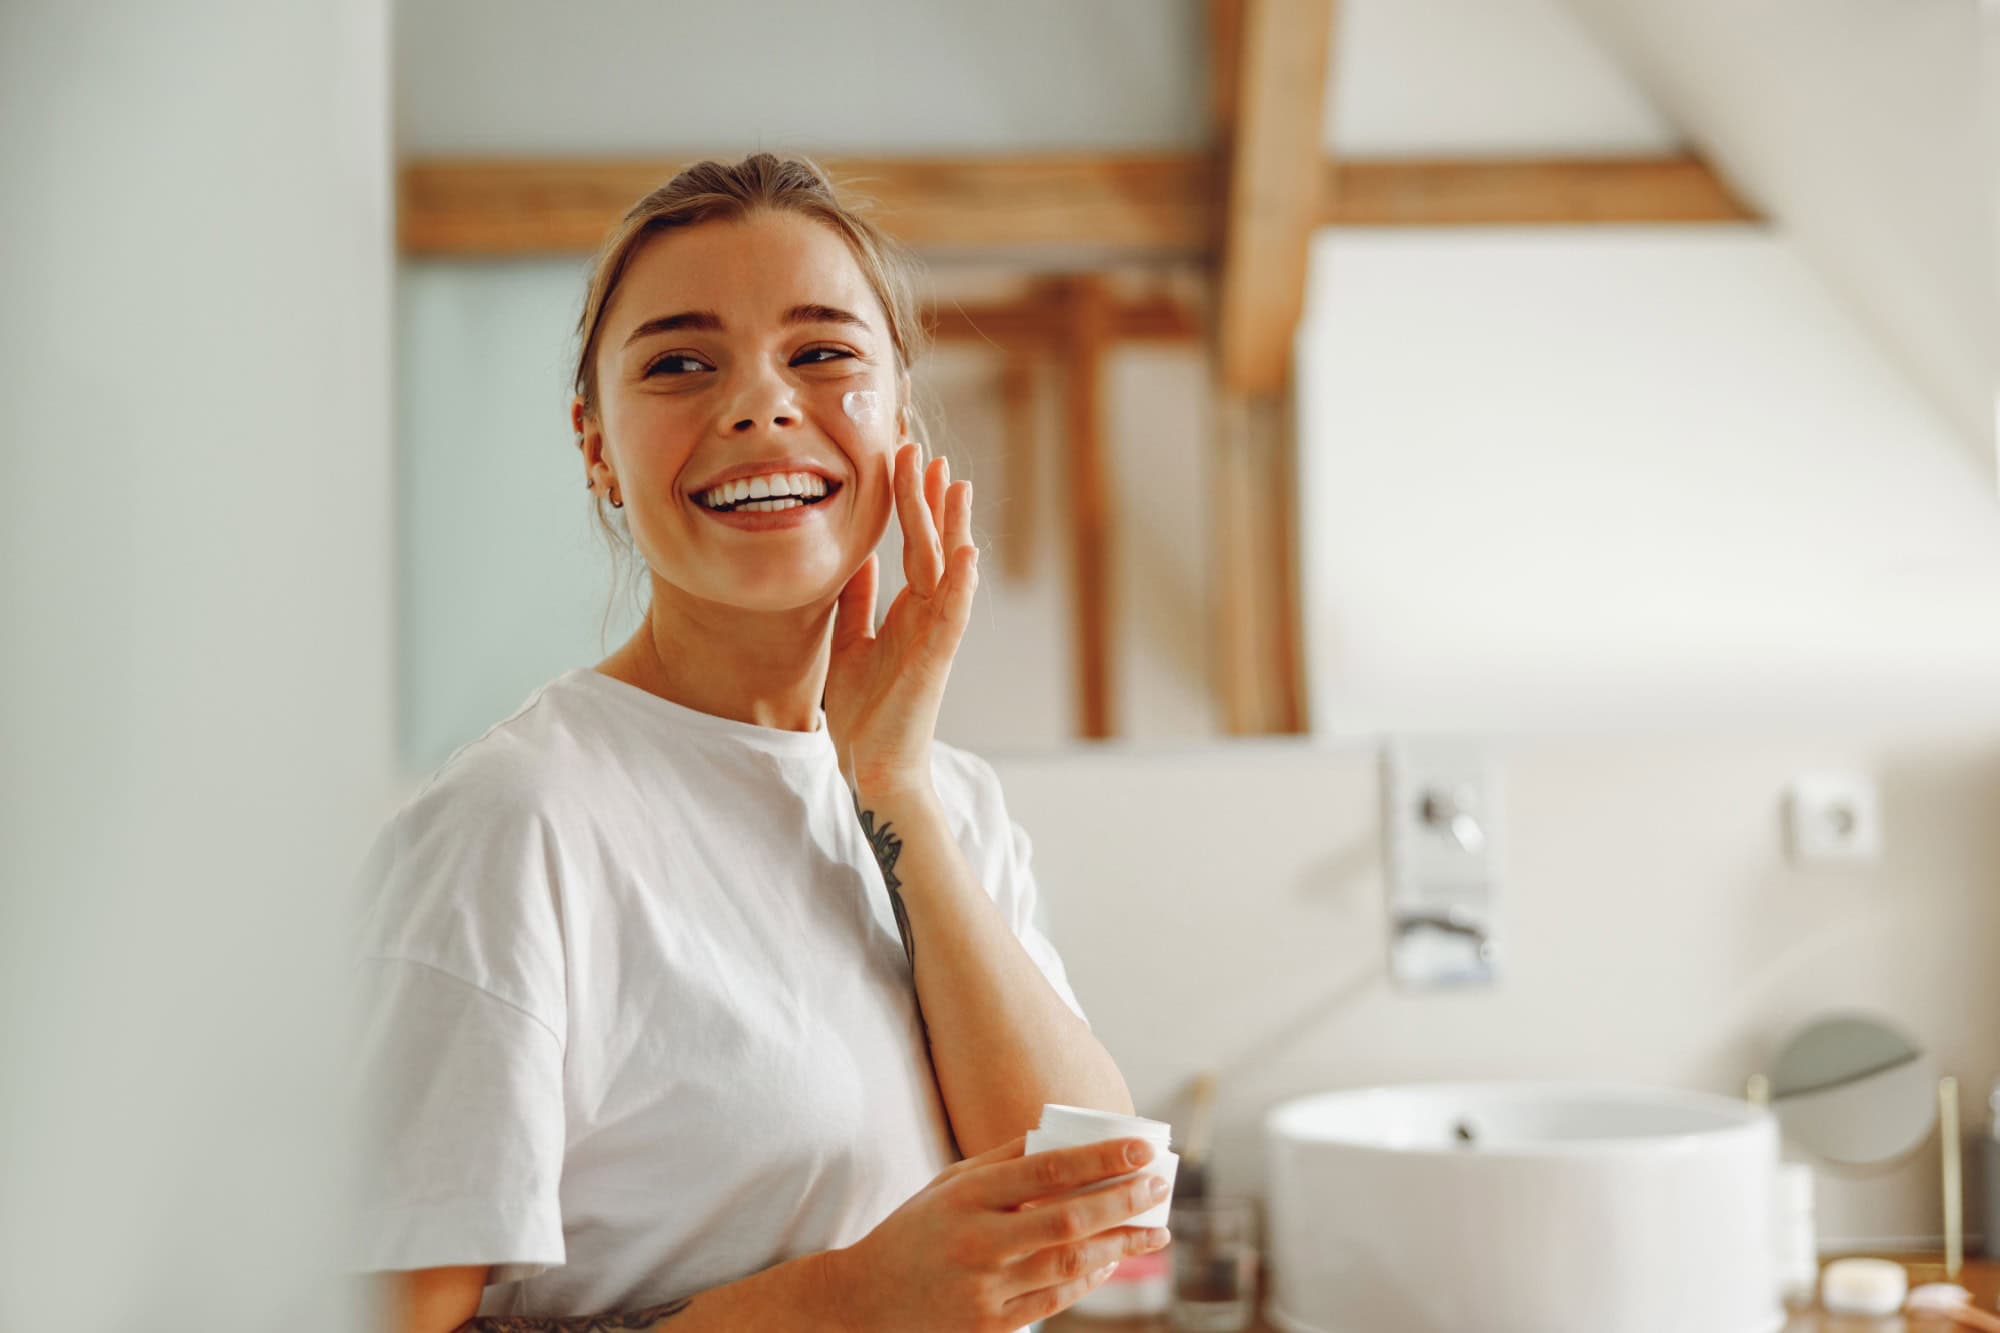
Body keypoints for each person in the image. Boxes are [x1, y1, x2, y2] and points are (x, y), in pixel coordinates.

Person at [349, 153, 1171, 1333]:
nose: (758, 404)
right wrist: (834, 1305)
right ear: (595, 446)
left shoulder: (947, 804)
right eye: (680, 363)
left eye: (823, 353)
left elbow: (1092, 1197)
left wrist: (894, 790)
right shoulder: (516, 827)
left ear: (898, 418)